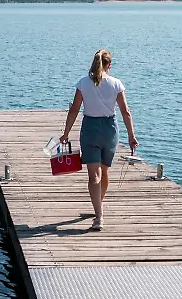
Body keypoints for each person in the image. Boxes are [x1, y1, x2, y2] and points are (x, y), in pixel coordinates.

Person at [59, 49, 139, 231]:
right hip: (109, 130)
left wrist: (65, 134)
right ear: (109, 66)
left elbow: (74, 111)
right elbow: (126, 112)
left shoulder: (83, 83)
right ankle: (98, 207)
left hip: (90, 130)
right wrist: (131, 136)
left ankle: (99, 215)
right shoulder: (116, 84)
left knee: (94, 175)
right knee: (104, 171)